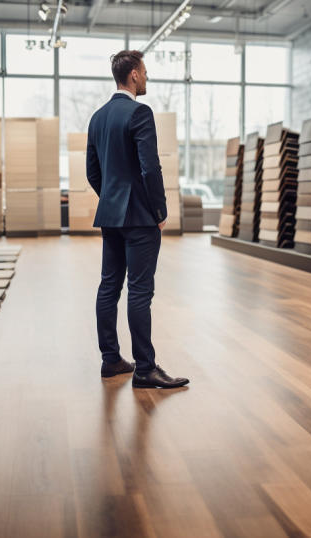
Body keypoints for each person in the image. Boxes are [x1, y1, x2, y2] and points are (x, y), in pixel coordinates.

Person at [86, 50, 189, 389]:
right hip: (141, 218)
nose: (146, 77)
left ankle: (110, 359)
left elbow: (93, 172)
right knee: (140, 291)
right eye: (144, 71)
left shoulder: (98, 118)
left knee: (109, 286)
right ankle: (145, 368)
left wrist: (113, 198)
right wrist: (159, 211)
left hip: (111, 216)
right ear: (132, 74)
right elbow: (150, 168)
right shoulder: (140, 113)